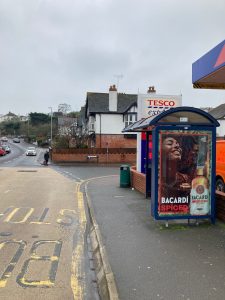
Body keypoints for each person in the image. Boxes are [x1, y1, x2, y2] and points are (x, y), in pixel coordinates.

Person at [159, 135, 190, 214]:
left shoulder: (184, 178)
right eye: (170, 144)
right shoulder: (158, 178)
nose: (176, 146)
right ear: (160, 150)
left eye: (178, 144)